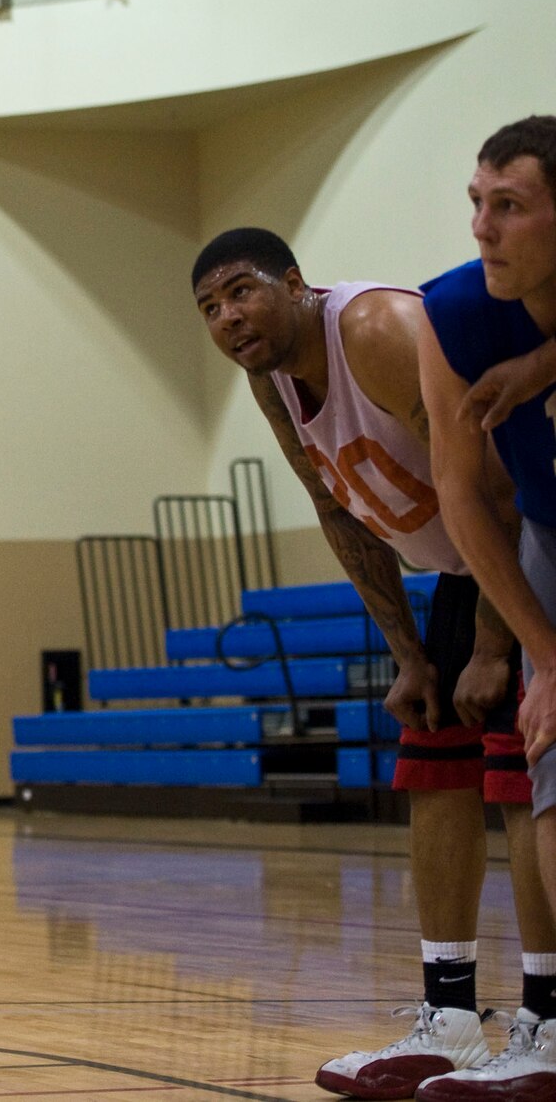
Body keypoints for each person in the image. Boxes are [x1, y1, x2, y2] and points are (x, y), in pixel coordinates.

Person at [190, 225, 556, 1100]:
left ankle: (546, 1019)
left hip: (526, 545)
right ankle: (451, 1014)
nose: (228, 316)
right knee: (433, 762)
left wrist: (494, 641)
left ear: (295, 283)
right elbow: (336, 508)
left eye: (241, 290)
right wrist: (409, 653)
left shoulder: (374, 329)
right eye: (209, 307)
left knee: (518, 772)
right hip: (463, 568)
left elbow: (497, 481)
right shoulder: (270, 376)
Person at [418, 116, 556, 1098]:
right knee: (549, 753)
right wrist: (544, 655)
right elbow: (461, 496)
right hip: (545, 532)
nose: (481, 226)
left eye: (508, 204)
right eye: (475, 202)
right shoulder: (454, 312)